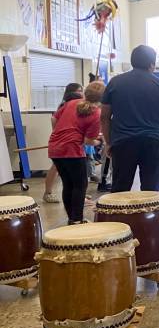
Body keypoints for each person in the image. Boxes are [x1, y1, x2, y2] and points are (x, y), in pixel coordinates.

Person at [100, 45, 159, 192]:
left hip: (123, 141)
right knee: (151, 190)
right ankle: (148, 214)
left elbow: (104, 117)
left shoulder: (115, 83)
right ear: (152, 64)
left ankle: (119, 215)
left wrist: (108, 142)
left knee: (120, 190)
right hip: (153, 142)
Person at [47, 81, 105, 225]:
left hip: (55, 147)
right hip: (72, 150)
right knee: (80, 185)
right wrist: (100, 141)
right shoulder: (96, 113)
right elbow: (88, 141)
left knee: (68, 184)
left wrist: (59, 132)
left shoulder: (72, 102)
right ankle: (77, 219)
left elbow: (54, 118)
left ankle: (72, 219)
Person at [43, 83, 84, 203]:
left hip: (72, 142)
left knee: (76, 174)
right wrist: (58, 133)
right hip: (63, 144)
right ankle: (48, 192)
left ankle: (79, 194)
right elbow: (54, 119)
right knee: (55, 168)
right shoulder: (65, 104)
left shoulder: (76, 104)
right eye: (79, 90)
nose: (81, 93)